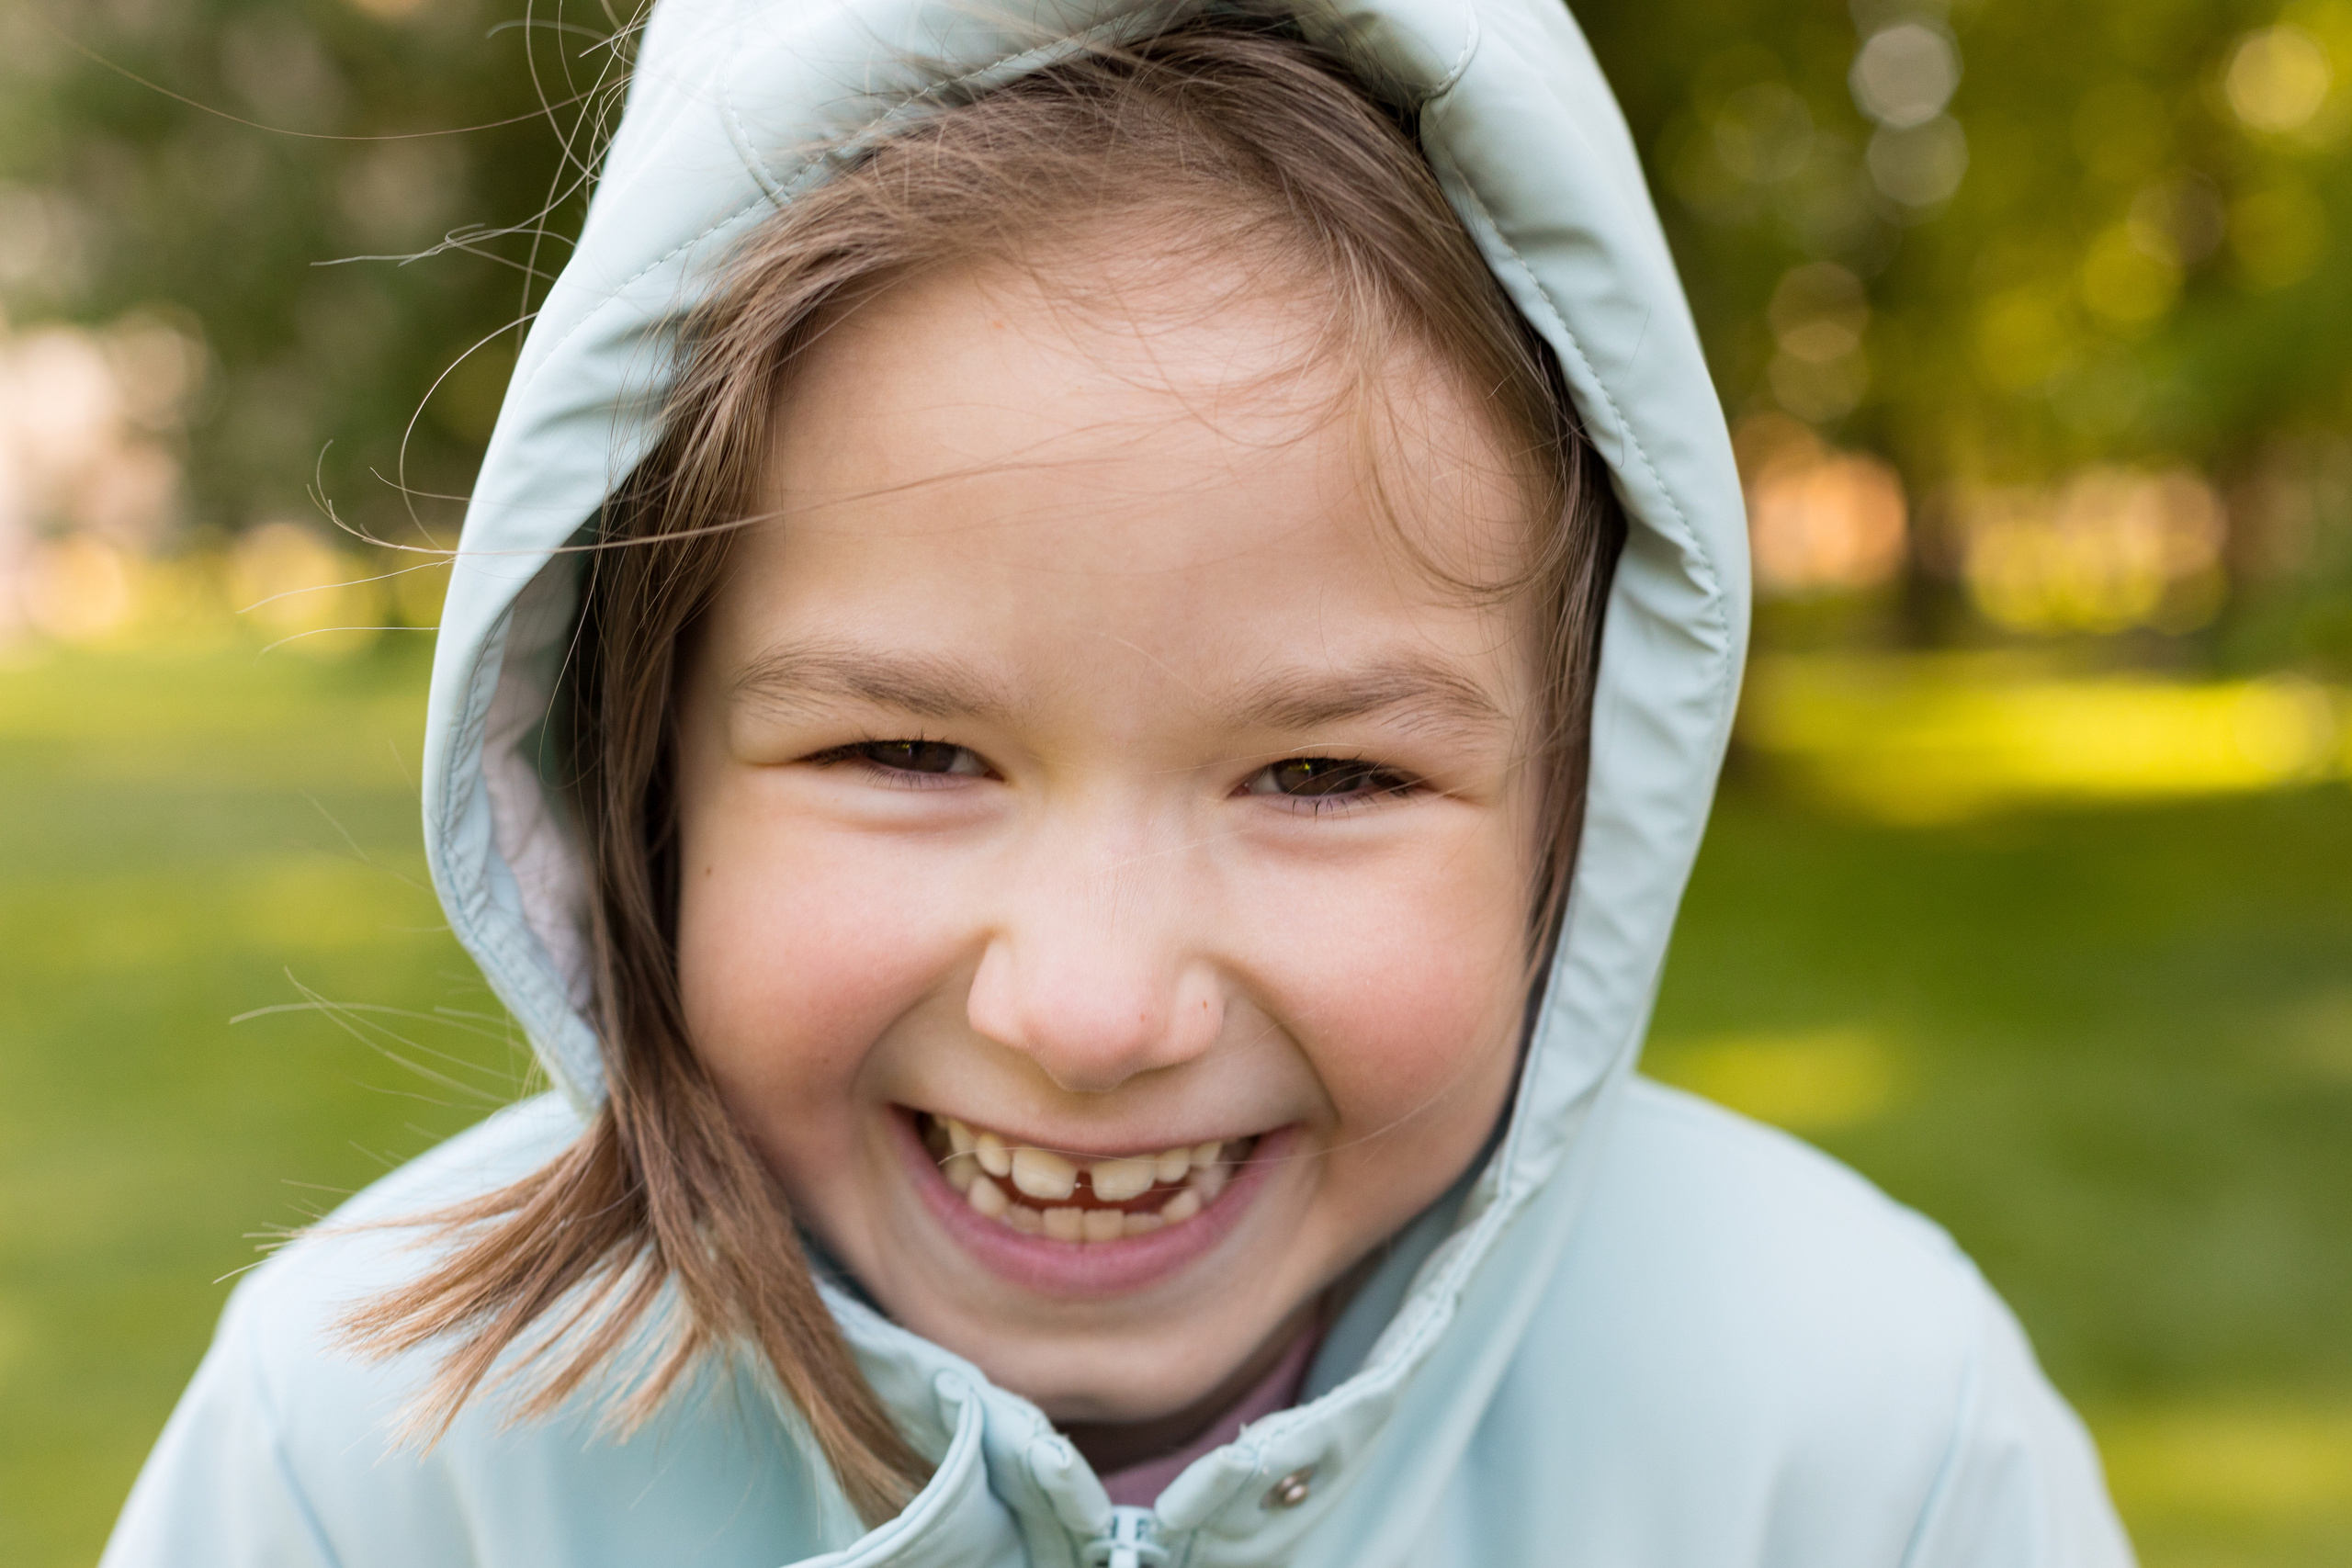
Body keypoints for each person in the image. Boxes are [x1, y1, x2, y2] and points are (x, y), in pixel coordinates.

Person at [103, 1, 2138, 1562]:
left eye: (1323, 774)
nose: (1090, 1014)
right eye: (908, 751)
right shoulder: (377, 1450)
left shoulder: (1859, 1440)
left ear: (1579, 804)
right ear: (645, 774)